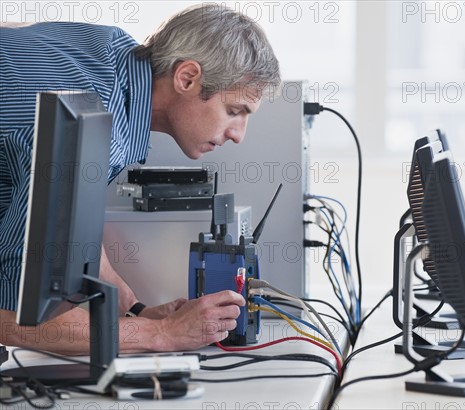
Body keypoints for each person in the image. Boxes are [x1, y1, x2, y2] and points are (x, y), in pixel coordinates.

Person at [0, 4, 281, 354]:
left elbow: (74, 238)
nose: (238, 134)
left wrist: (138, 311)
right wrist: (162, 334)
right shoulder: (87, 120)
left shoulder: (112, 56)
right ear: (187, 78)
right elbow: (18, 318)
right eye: (234, 110)